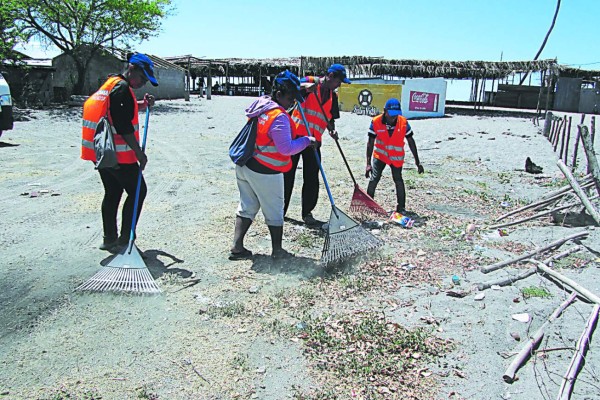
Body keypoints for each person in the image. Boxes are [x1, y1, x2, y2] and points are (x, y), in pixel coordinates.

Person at [230, 70, 316, 260]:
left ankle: (237, 247)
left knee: (248, 205)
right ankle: (277, 251)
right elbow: (286, 149)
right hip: (265, 170)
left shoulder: (261, 106)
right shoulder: (279, 117)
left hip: (246, 165)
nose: (293, 102)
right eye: (291, 98)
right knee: (275, 209)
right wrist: (306, 141)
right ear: (279, 95)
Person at [81, 52, 158, 251]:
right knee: (138, 191)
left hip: (100, 154)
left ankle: (109, 238)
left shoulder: (111, 84)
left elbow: (116, 111)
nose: (143, 84)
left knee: (113, 191)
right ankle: (125, 239)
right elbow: (123, 125)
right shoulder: (122, 88)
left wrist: (141, 105)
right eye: (143, 78)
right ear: (132, 69)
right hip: (118, 156)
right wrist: (139, 153)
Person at [283, 63, 351, 227]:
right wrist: (306, 87)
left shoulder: (332, 96)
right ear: (331, 76)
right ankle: (279, 212)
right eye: (339, 81)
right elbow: (289, 88)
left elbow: (330, 117)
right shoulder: (310, 80)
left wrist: (331, 130)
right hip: (297, 135)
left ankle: (307, 213)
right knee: (287, 174)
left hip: (315, 141)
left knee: (312, 177)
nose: (339, 85)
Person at [365, 98, 424, 215]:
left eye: (396, 115)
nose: (393, 118)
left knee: (398, 180)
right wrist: (368, 163)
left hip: (396, 157)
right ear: (385, 111)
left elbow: (411, 142)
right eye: (391, 115)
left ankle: (401, 207)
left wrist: (417, 162)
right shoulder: (375, 122)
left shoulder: (403, 122)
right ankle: (368, 205)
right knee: (374, 178)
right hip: (380, 155)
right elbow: (370, 142)